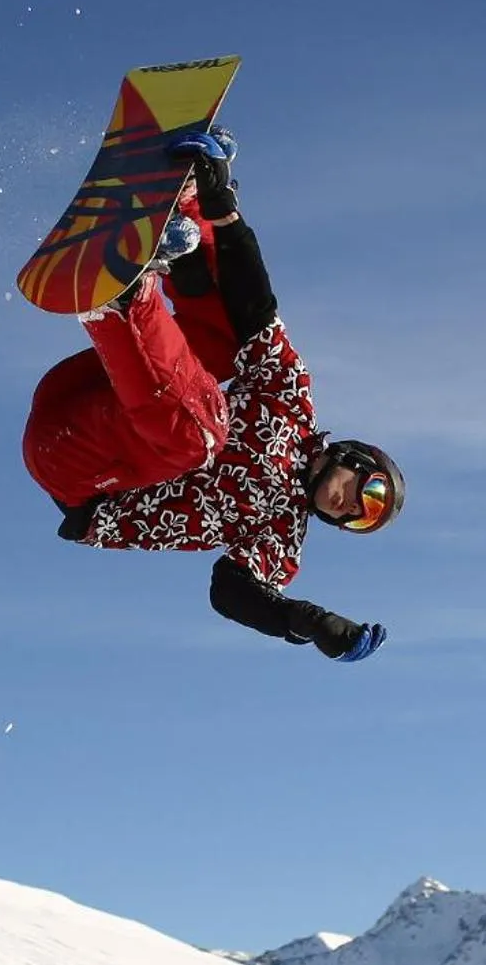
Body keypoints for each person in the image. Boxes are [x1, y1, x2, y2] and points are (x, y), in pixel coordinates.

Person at [21, 128, 401, 662]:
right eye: (373, 495)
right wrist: (222, 209)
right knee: (225, 348)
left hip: (78, 468)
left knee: (199, 435)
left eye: (360, 520)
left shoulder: (279, 535)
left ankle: (125, 299)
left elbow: (232, 593)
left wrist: (307, 621)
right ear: (359, 460)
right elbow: (256, 310)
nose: (353, 508)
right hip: (89, 395)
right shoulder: (289, 400)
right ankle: (185, 203)